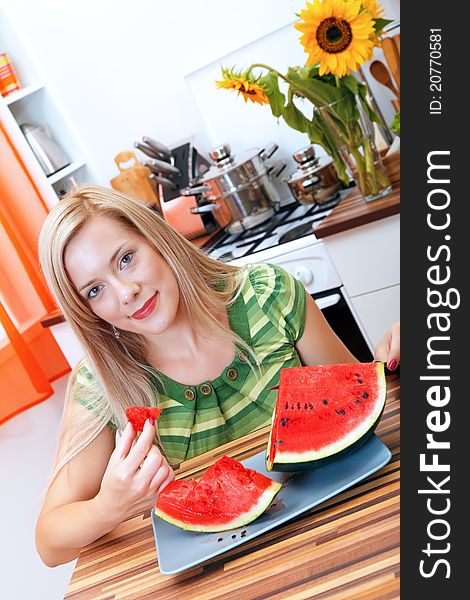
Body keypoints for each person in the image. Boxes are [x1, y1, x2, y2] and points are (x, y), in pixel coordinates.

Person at [35, 185, 398, 567]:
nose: (126, 293)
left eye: (126, 259)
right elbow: (49, 543)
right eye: (95, 290)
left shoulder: (267, 297)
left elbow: (357, 402)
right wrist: (107, 507)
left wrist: (394, 358)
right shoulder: (103, 383)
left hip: (349, 525)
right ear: (86, 310)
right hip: (230, 571)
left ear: (154, 238)